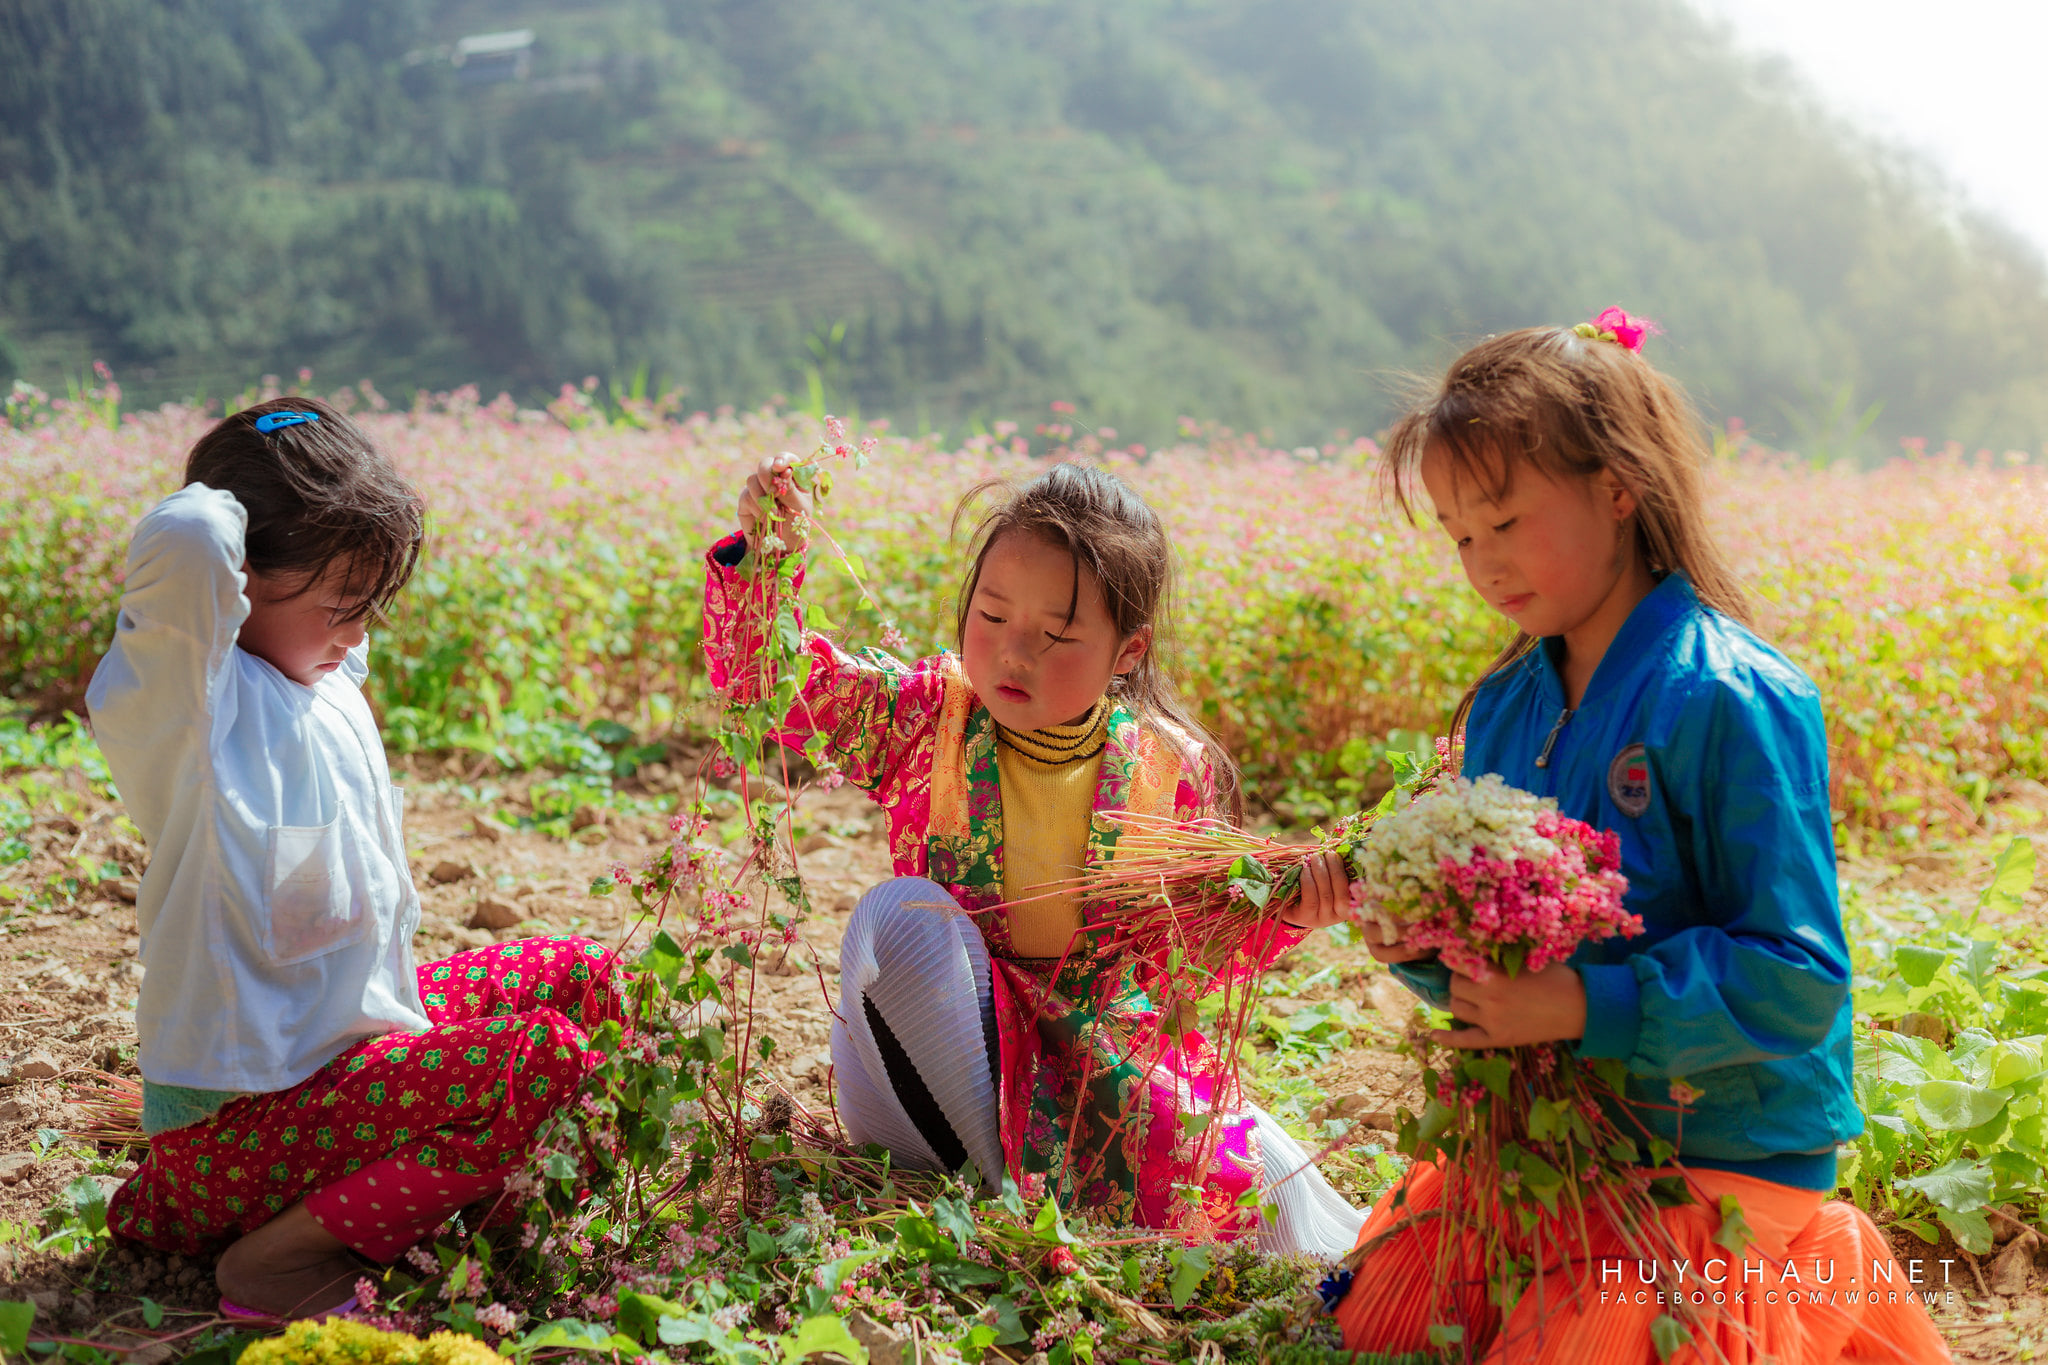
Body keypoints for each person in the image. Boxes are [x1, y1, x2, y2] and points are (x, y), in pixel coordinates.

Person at [1330, 314, 1948, 1361]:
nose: (1483, 563)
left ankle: (1814, 1271)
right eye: (1459, 535)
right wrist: (1424, 948)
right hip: (1554, 1145)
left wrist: (1584, 1004)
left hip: (1717, 1148)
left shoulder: (1730, 696)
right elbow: (1500, 955)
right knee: (1379, 1326)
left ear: (1617, 488)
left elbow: (1799, 977)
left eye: (1505, 519)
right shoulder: (1507, 708)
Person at [702, 454, 1363, 1253]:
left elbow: (1187, 962)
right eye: (991, 615)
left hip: (1092, 1075)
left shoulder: (1170, 769)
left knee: (1255, 1187)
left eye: (1057, 635)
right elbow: (768, 684)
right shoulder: (926, 716)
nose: (1014, 653)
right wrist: (767, 557)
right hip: (930, 1072)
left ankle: (1012, 1202)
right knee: (899, 919)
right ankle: (1025, 1202)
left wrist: (1291, 911)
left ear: (1128, 651)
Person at [87, 398, 626, 1320]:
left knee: (587, 977)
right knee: (540, 1060)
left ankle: (462, 1220)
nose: (359, 629)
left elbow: (317, 616)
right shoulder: (194, 709)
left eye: (372, 603)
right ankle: (278, 1259)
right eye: (342, 605)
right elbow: (189, 536)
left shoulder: (324, 679)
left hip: (343, 1065)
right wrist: (258, 470)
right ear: (239, 579)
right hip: (244, 1125)